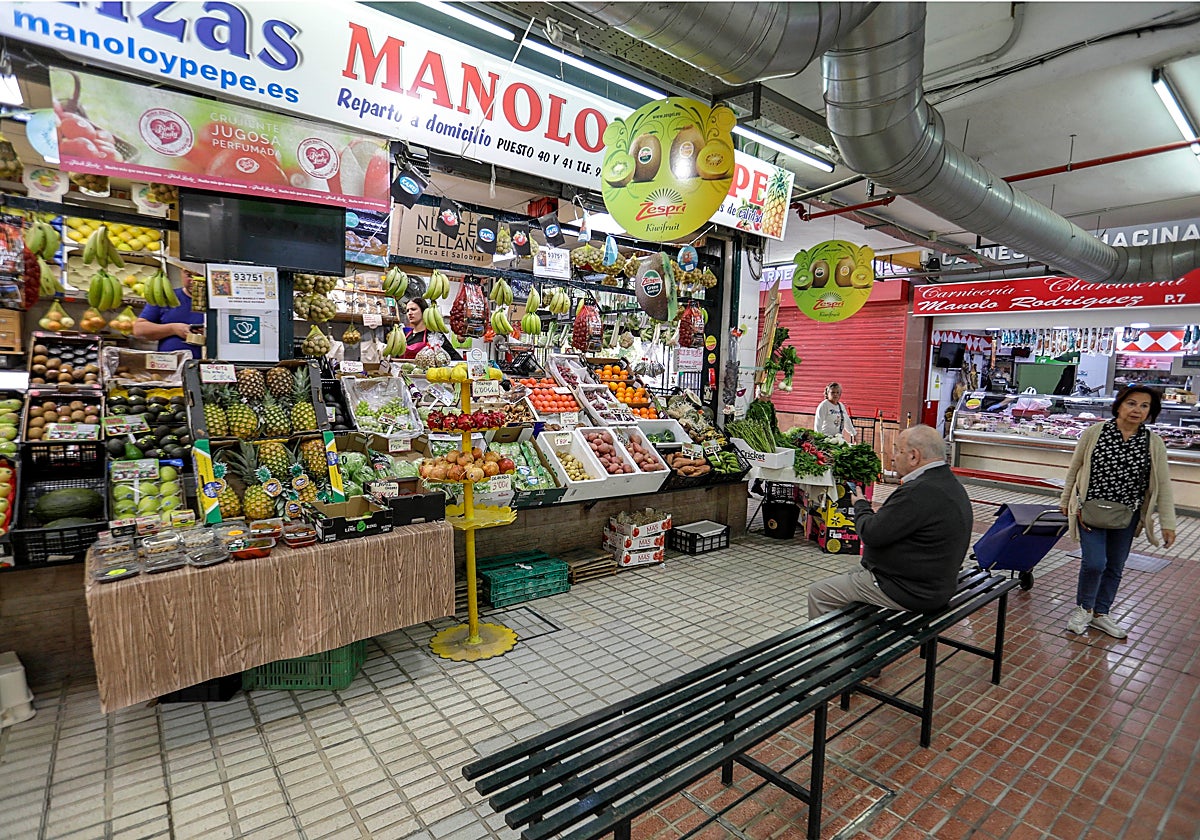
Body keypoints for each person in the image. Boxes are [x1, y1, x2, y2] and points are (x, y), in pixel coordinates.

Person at [807, 425, 973, 620]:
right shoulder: (949, 483)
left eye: (897, 450)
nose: (893, 457)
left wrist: (860, 505)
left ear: (913, 456)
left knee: (819, 593)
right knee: (853, 574)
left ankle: (828, 650)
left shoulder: (918, 491)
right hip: (932, 584)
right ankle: (854, 640)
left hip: (909, 590)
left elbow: (870, 533)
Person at [1059, 385, 1176, 638]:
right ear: (1119, 405)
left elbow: (1163, 485)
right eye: (1131, 403)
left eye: (1144, 406)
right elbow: (1075, 468)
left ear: (1150, 412)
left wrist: (1168, 523)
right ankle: (1084, 608)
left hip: (1127, 514)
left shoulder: (1153, 443)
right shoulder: (1094, 433)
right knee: (1094, 563)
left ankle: (1101, 613)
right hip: (1089, 510)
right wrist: (1065, 498)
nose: (1137, 410)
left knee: (1115, 566)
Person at [133, 261, 205, 358]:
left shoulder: (222, 302)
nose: (194, 281)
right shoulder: (167, 298)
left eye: (200, 276)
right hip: (170, 367)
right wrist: (173, 329)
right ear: (181, 272)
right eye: (189, 275)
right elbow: (139, 330)